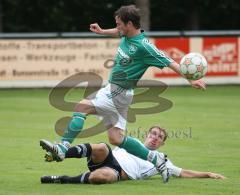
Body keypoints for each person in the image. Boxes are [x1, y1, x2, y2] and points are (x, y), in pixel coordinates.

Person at [40, 5, 206, 183]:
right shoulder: (126, 33)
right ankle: (156, 159)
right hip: (119, 92)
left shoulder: (144, 46)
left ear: (129, 23)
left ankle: (63, 148)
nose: (117, 27)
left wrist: (189, 78)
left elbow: (168, 60)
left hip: (117, 92)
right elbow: (117, 32)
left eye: (119, 24)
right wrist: (103, 31)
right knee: (116, 138)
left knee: (82, 107)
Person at [41, 126, 225, 184]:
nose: (155, 138)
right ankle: (62, 152)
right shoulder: (131, 143)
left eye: (159, 137)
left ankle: (62, 179)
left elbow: (183, 172)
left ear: (162, 143)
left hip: (118, 174)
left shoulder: (162, 160)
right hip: (107, 159)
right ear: (147, 135)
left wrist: (207, 174)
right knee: (102, 147)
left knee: (102, 177)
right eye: (153, 134)